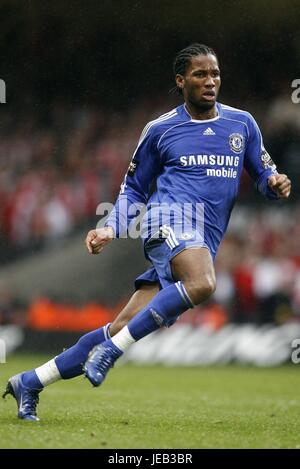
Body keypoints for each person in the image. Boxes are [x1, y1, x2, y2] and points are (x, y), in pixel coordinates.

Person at [3, 43, 291, 421]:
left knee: (121, 325)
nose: (210, 81)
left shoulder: (242, 125)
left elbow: (263, 176)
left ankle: (32, 381)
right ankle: (115, 351)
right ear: (181, 80)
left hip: (203, 238)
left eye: (215, 74)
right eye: (200, 74)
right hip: (167, 219)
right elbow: (135, 188)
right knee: (203, 284)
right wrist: (111, 228)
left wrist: (275, 182)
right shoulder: (160, 130)